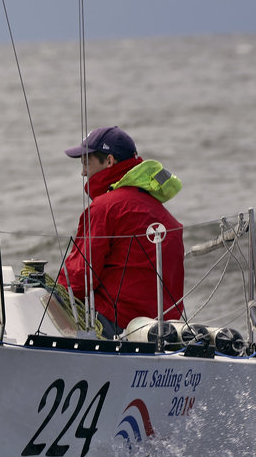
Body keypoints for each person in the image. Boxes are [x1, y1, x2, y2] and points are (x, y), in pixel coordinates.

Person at [60, 126, 185, 336]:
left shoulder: (106, 207)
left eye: (86, 163)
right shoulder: (163, 214)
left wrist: (49, 293)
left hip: (115, 324)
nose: (83, 172)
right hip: (165, 330)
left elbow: (79, 280)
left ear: (109, 161)